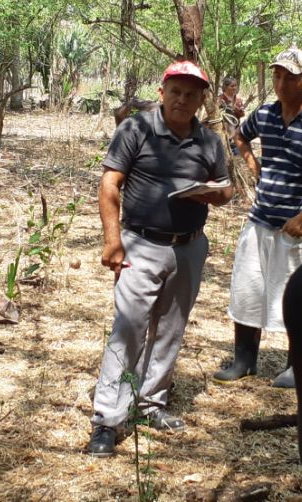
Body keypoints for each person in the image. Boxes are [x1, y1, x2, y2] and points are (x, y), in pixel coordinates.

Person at [87, 60, 233, 458]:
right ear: (162, 92)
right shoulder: (136, 129)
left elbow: (226, 190)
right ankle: (107, 420)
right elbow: (110, 183)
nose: (183, 100)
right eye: (176, 92)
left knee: (170, 328)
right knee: (129, 328)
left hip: (188, 246)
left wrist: (214, 194)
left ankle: (151, 405)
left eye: (192, 94)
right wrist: (112, 241)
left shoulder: (209, 142)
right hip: (140, 243)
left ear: (203, 99)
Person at [213, 47, 302, 389]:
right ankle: (244, 360)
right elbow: (239, 135)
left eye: (289, 77)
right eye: (276, 75)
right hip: (260, 218)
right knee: (247, 289)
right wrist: (251, 163)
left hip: (297, 228)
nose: (281, 83)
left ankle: (295, 365)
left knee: (295, 296)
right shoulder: (267, 114)